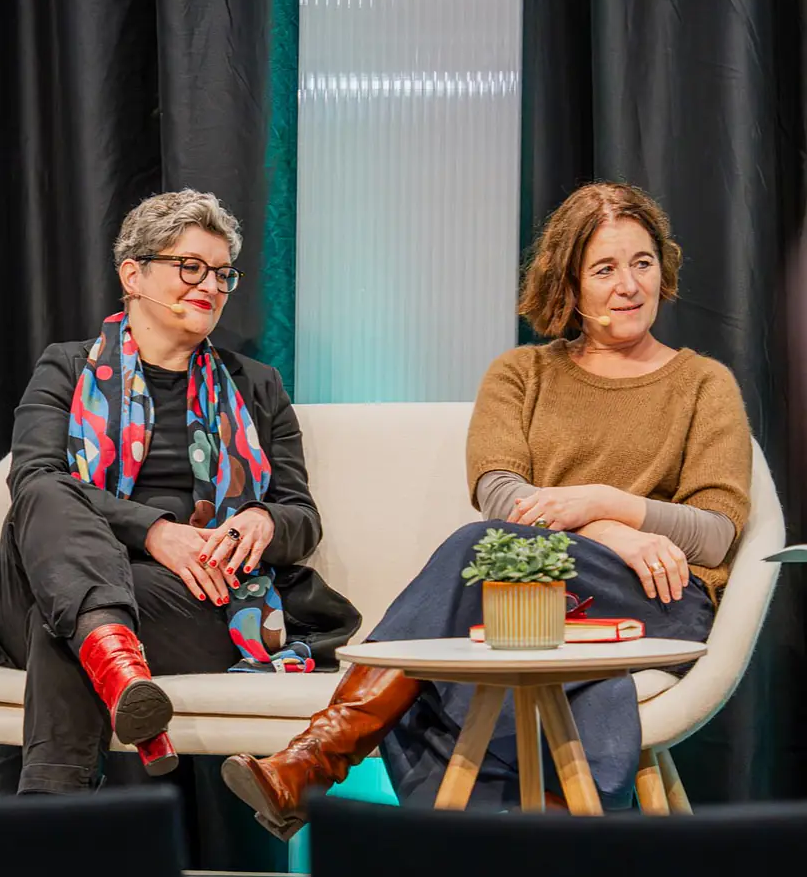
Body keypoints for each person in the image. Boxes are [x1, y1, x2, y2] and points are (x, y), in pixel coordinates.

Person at [223, 182, 752, 834]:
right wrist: (608, 528)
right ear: (569, 283)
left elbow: (716, 533)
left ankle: (313, 763)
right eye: (604, 269)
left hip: (655, 597)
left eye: (642, 263)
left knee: (472, 555)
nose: (629, 286)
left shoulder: (703, 384)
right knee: (456, 617)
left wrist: (604, 501)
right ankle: (517, 841)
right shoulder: (521, 374)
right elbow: (502, 495)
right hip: (533, 598)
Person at [0, 190, 359, 796]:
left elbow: (302, 516)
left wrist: (265, 520)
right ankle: (114, 670)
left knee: (66, 620)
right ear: (133, 275)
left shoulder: (257, 386)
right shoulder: (67, 368)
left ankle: (67, 778)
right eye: (190, 267)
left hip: (191, 596)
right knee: (47, 495)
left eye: (222, 273)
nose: (211, 285)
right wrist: (156, 532)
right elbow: (32, 481)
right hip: (45, 569)